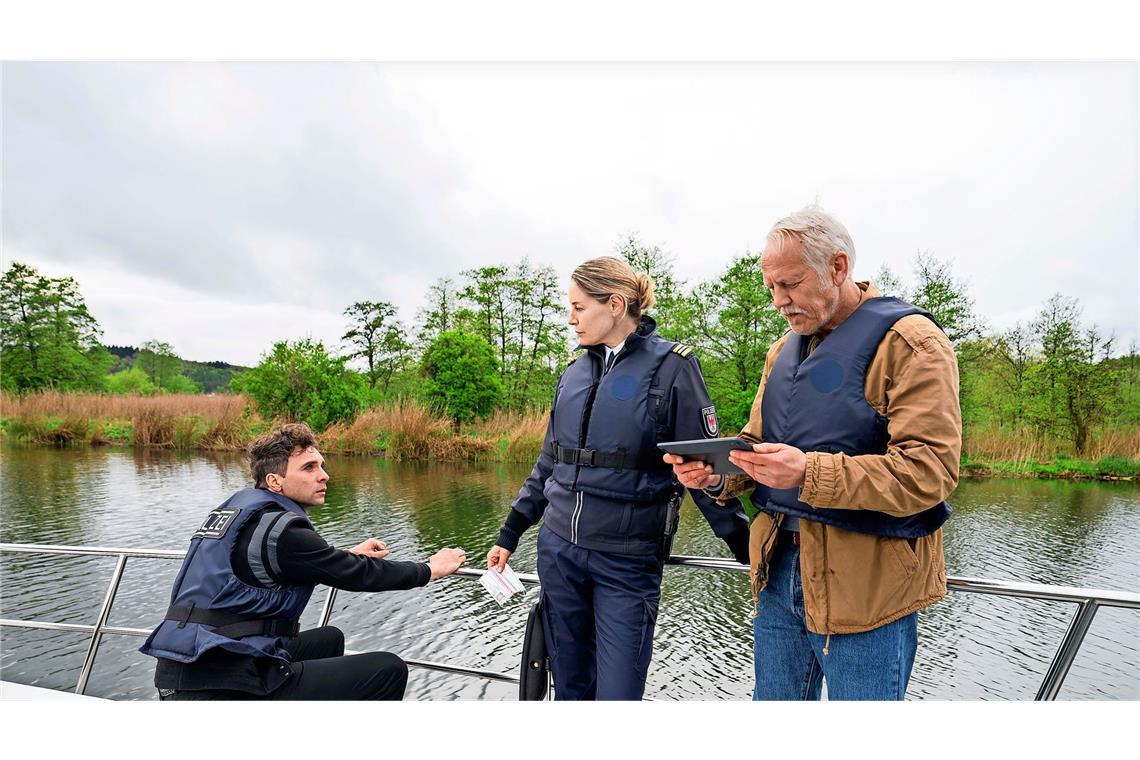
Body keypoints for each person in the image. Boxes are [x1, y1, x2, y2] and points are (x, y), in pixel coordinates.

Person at [667, 206, 961, 701]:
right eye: (772, 289)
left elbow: (928, 473)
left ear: (838, 267)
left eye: (791, 284)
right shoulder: (783, 350)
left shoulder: (913, 344)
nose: (779, 301)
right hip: (779, 575)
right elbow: (755, 445)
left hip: (869, 588)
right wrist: (716, 476)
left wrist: (807, 471)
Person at [487, 256, 750, 701]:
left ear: (615, 304)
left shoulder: (673, 368)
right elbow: (548, 463)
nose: (569, 319)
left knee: (619, 696)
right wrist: (510, 532)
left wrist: (748, 549)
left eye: (578, 307)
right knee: (571, 690)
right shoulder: (572, 374)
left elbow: (702, 471)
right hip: (558, 555)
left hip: (626, 563)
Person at [140, 422, 467, 700]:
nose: (324, 476)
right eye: (309, 468)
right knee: (388, 669)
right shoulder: (284, 532)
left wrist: (347, 554)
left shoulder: (247, 512)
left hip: (186, 668)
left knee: (329, 639)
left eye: (322, 465)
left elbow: (293, 563)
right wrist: (429, 569)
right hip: (221, 685)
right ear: (275, 481)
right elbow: (356, 575)